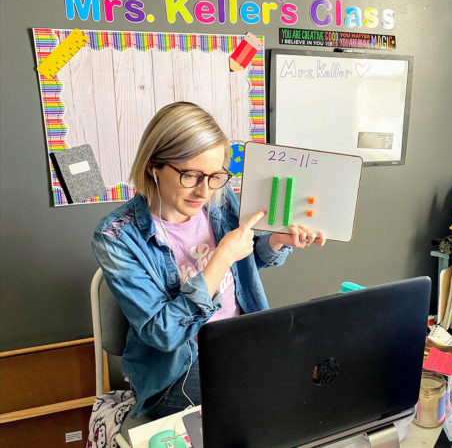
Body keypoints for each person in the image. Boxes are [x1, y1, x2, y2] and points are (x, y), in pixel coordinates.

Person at [92, 102, 326, 419]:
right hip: (177, 372)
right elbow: (163, 334)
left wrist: (274, 241)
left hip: (241, 341)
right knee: (267, 405)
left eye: (215, 175)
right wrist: (220, 258)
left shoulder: (218, 197)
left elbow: (242, 269)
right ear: (153, 166)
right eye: (191, 175)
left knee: (316, 376)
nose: (204, 191)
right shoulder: (116, 237)